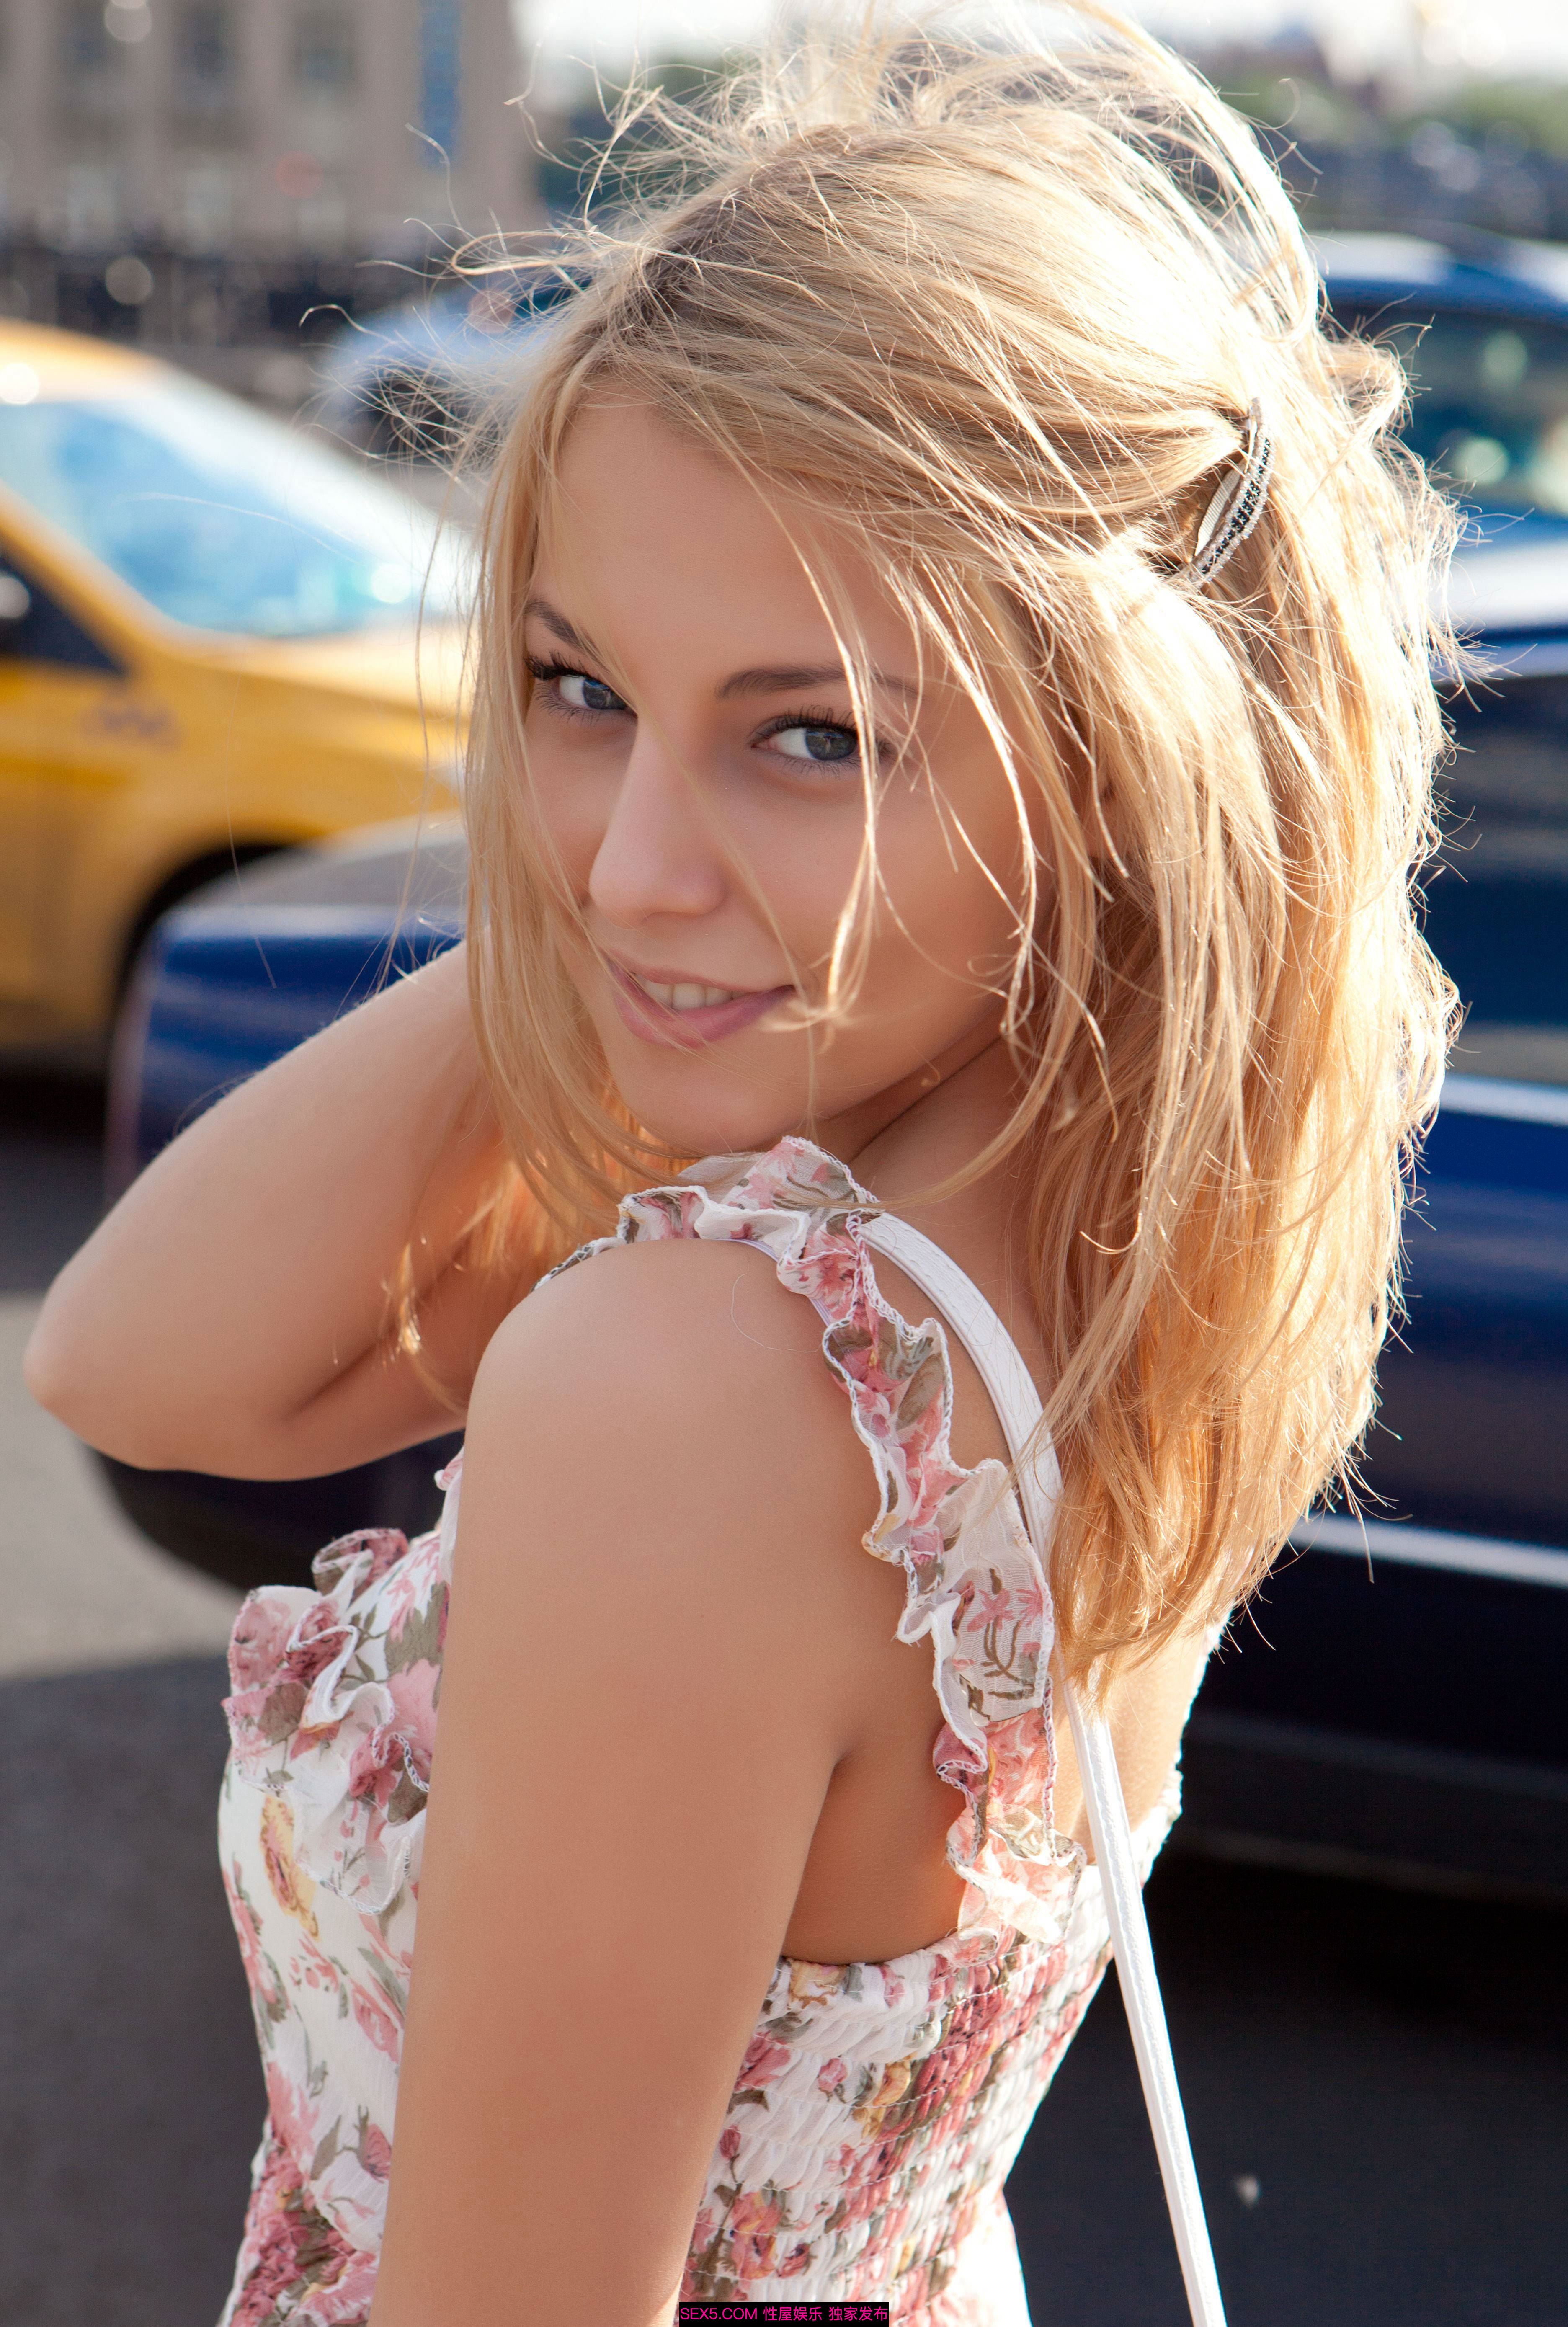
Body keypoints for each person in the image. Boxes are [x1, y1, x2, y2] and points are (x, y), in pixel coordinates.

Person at [25, 10, 1455, 2322]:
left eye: (813, 736)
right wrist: (645, 911)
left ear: (1119, 761)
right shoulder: (1135, 1248)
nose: (627, 863)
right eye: (580, 688)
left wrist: (652, 874)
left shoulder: (698, 1386)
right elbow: (138, 1360)